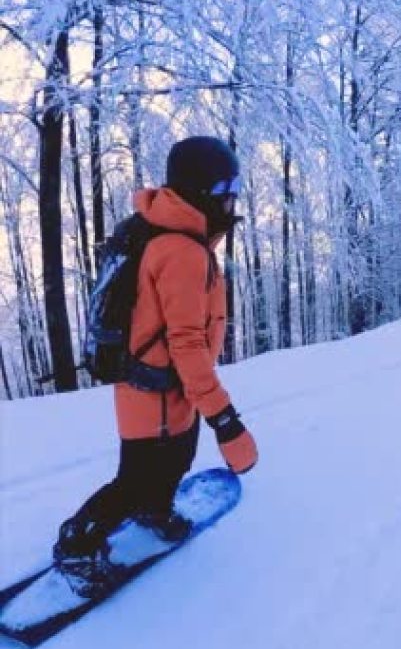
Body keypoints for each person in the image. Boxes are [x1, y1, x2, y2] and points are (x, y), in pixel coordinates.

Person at [53, 136, 258, 583]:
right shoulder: (181, 252)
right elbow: (186, 344)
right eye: (225, 190)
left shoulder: (171, 237)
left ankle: (154, 513)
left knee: (176, 459)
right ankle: (77, 543)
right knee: (136, 479)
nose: (232, 200)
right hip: (157, 391)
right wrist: (226, 420)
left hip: (164, 385)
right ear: (200, 192)